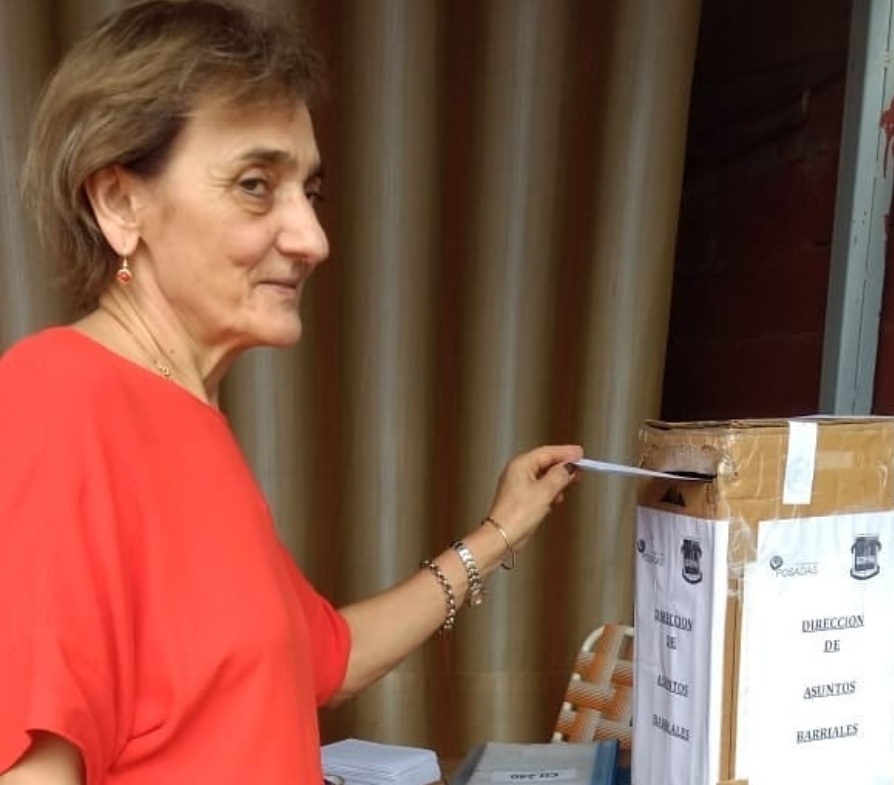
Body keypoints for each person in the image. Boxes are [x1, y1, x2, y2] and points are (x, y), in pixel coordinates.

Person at [0, 2, 583, 783]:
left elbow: (326, 657)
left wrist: (502, 529)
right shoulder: (58, 401)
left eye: (309, 191)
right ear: (120, 203)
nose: (312, 238)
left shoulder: (191, 415)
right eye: (255, 185)